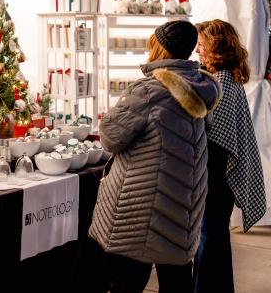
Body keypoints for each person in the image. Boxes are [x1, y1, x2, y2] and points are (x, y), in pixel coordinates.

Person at [88, 20, 221, 293]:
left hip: (140, 208)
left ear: (159, 47)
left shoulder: (148, 91)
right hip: (182, 205)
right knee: (176, 283)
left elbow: (111, 137)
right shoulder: (200, 86)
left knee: (126, 282)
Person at [193, 19, 267, 293]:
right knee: (215, 238)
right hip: (220, 173)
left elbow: (217, 139)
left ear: (216, 47)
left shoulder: (220, 81)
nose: (198, 51)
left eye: (202, 46)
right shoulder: (227, 77)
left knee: (210, 238)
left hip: (217, 173)